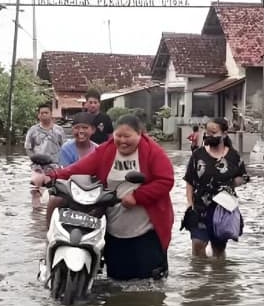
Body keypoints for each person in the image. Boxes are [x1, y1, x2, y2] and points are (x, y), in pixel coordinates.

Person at [40, 115, 174, 281]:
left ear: (140, 134)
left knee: (149, 280)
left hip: (147, 228)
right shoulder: (106, 150)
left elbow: (166, 180)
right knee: (116, 280)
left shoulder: (153, 152)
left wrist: (137, 197)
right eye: (119, 136)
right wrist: (52, 176)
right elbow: (79, 168)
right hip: (114, 225)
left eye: (127, 136)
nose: (122, 141)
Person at [182, 118, 248, 259]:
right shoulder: (198, 155)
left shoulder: (233, 156)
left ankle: (218, 279)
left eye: (213, 133)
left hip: (223, 209)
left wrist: (230, 184)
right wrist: (189, 204)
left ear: (224, 134)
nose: (209, 136)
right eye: (207, 132)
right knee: (198, 245)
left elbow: (243, 177)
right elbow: (189, 180)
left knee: (218, 251)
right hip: (200, 207)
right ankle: (199, 279)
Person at [25, 104, 66, 207]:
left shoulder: (59, 130)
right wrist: (34, 160)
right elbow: (28, 147)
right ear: (38, 115)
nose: (44, 115)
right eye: (41, 113)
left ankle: (50, 215)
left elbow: (64, 148)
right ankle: (36, 217)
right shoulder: (33, 130)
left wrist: (62, 165)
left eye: (46, 113)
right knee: (35, 190)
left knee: (54, 192)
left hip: (54, 167)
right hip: (37, 167)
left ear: (51, 114)